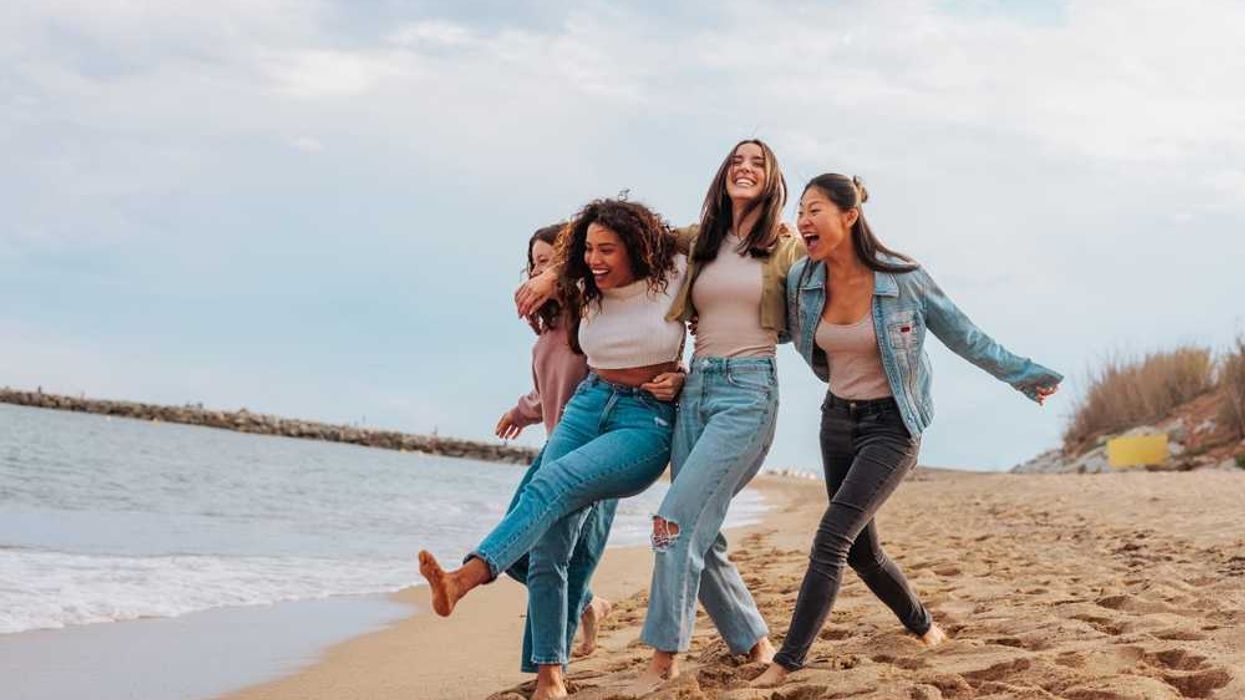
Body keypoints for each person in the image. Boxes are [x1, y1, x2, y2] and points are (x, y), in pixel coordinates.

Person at [751, 173, 1062, 687]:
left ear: (850, 216)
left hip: (893, 427)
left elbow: (965, 337)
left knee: (830, 539)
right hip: (837, 421)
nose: (803, 220)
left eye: (814, 209)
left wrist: (1025, 377)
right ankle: (925, 628)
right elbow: (774, 326)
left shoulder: (904, 278)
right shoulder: (802, 278)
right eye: (800, 211)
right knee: (861, 552)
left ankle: (788, 663)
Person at [419, 197, 687, 700]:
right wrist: (553, 274)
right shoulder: (584, 286)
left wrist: (684, 377)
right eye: (588, 250)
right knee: (549, 546)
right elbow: (560, 287)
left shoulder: (674, 272)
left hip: (643, 419)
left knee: (550, 484)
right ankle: (550, 680)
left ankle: (464, 580)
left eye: (607, 250)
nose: (595, 260)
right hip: (588, 405)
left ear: (636, 247)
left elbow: (708, 264)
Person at [630, 139, 805, 693]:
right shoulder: (700, 239)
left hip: (748, 393)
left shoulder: (787, 246)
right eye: (736, 161)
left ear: (772, 180)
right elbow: (627, 237)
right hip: (695, 390)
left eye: (757, 163)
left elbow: (839, 275)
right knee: (701, 533)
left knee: (673, 523)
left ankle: (664, 659)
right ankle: (754, 642)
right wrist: (548, 272)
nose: (744, 168)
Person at [494, 222, 612, 667]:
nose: (537, 272)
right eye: (534, 264)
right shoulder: (546, 332)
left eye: (547, 262)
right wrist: (519, 412)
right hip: (554, 449)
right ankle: (589, 603)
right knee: (514, 551)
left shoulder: (595, 319)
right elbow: (546, 392)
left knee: (567, 561)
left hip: (598, 452)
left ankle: (546, 669)